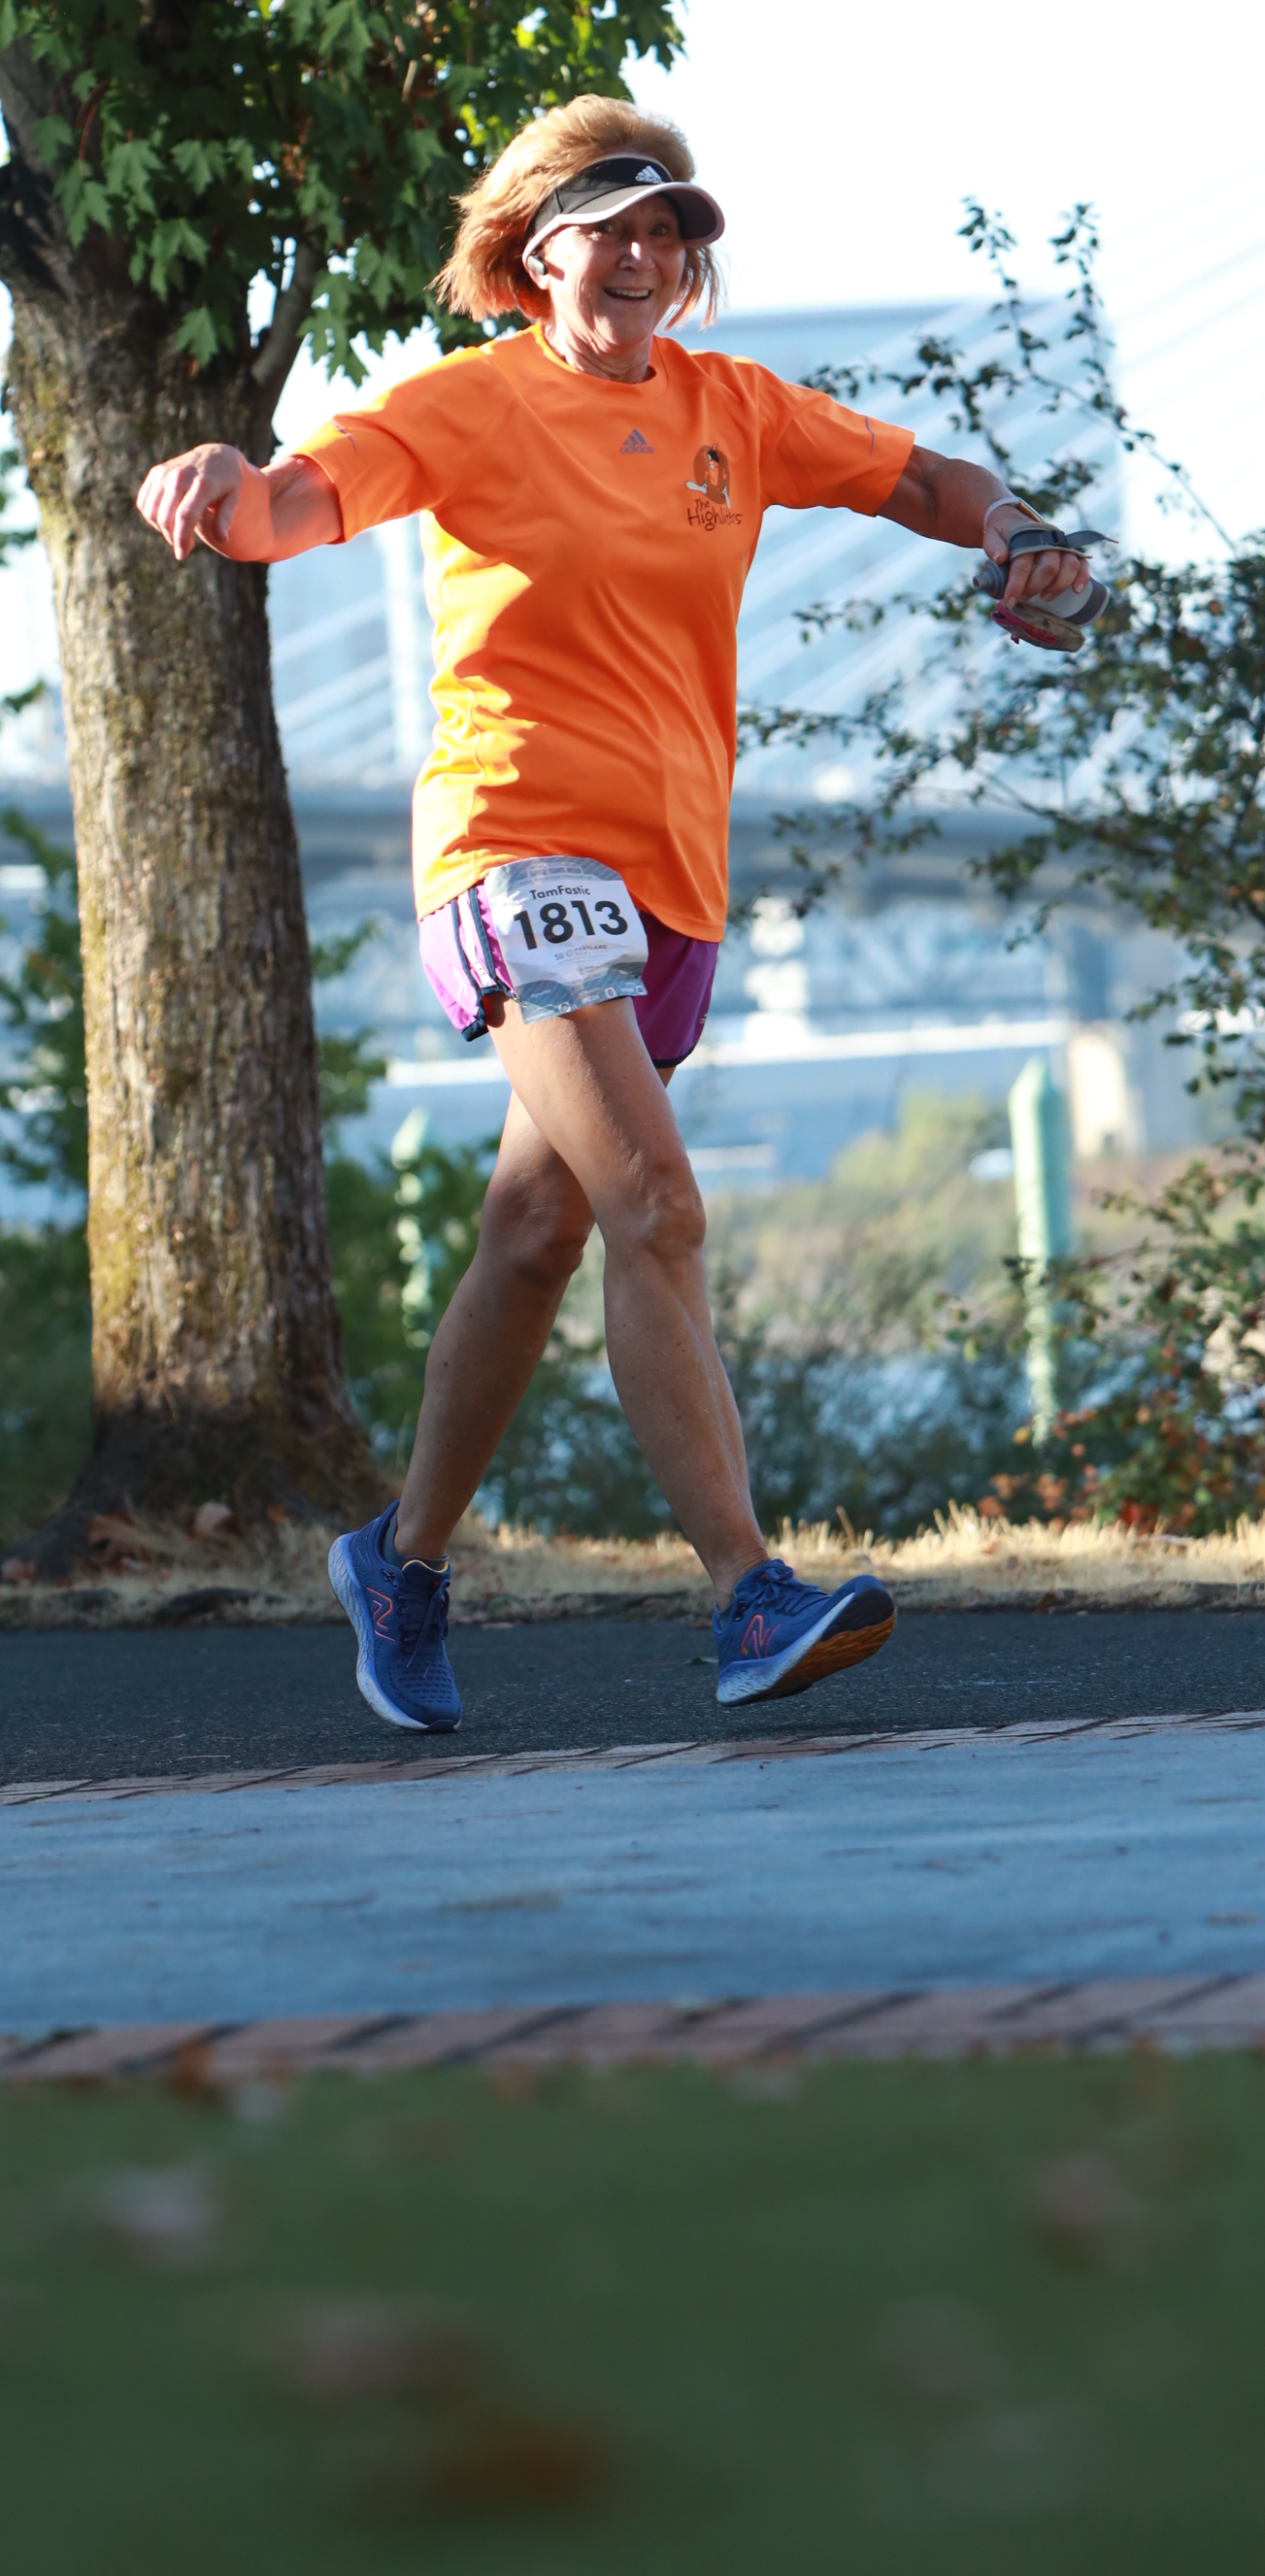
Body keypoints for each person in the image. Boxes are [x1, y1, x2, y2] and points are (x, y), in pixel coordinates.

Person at [135, 99, 1100, 1734]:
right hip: (516, 853)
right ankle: (748, 1593)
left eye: (670, 232)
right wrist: (225, 490)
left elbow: (922, 477)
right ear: (536, 253)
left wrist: (1017, 532)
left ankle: (398, 1561)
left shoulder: (734, 408)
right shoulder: (468, 402)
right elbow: (297, 505)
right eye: (614, 229)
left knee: (539, 1232)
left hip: (670, 890)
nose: (648, 255)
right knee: (658, 1202)